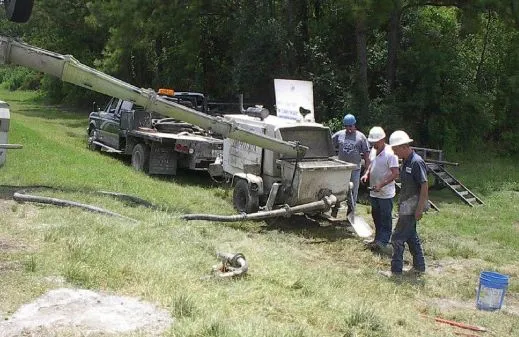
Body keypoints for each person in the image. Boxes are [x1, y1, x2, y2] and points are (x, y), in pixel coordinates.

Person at [381, 130, 428, 277]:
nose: (394, 153)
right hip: (406, 205)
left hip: (412, 207)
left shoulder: (416, 162)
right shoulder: (406, 161)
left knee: (397, 238)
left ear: (403, 146)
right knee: (411, 236)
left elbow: (424, 186)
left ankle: (395, 271)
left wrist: (419, 208)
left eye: (395, 150)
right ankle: (419, 267)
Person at [360, 127, 399, 253]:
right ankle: (377, 239)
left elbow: (395, 173)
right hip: (374, 191)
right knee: (376, 216)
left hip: (385, 193)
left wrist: (381, 185)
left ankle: (384, 242)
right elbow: (371, 163)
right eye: (372, 142)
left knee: (385, 218)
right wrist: (366, 174)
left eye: (375, 141)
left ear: (383, 139)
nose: (373, 144)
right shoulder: (373, 150)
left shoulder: (391, 153)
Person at [332, 113, 370, 213]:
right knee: (338, 188)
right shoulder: (339, 135)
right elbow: (328, 144)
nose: (349, 128)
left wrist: (366, 169)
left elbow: (366, 154)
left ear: (354, 125)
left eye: (350, 126)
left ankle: (351, 211)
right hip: (341, 168)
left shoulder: (361, 137)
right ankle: (335, 207)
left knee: (353, 191)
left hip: (355, 169)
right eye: (346, 126)